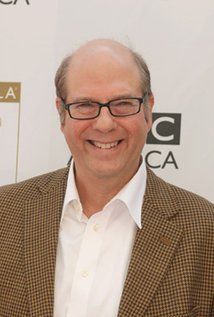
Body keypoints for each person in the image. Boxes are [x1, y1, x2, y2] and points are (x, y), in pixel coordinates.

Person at [0, 39, 213, 317]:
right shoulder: (6, 213)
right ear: (61, 114)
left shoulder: (206, 231)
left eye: (123, 103)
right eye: (85, 105)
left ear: (149, 110)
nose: (104, 123)